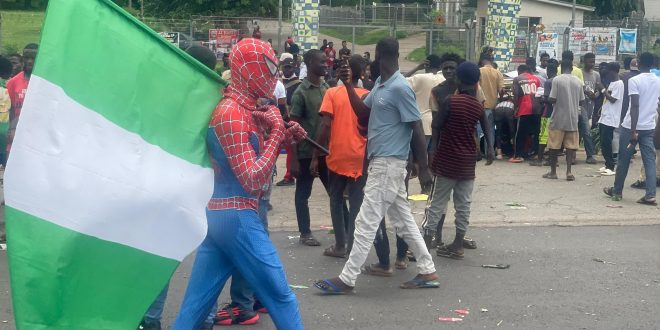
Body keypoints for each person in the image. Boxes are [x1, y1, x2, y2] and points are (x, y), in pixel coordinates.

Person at [172, 39, 306, 330]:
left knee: (194, 308)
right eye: (269, 68)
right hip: (237, 216)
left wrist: (279, 135)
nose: (275, 76)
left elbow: (253, 161)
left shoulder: (242, 110)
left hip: (223, 216)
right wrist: (277, 133)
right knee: (281, 297)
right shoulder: (231, 113)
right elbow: (252, 177)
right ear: (250, 68)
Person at [314, 37, 439, 294]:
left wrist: (423, 166)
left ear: (380, 55)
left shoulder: (400, 88)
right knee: (403, 221)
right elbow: (363, 113)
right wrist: (349, 86)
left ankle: (347, 278)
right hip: (381, 163)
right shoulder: (382, 85)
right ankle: (428, 270)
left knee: (365, 221)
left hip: (389, 164)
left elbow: (415, 126)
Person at [428, 61, 494, 259]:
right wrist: (490, 148)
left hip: (447, 160)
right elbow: (487, 127)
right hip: (467, 162)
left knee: (437, 203)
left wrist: (434, 151)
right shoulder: (477, 106)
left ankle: (426, 242)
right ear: (476, 83)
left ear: (457, 79)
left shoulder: (450, 101)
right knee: (463, 204)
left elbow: (436, 126)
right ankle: (457, 244)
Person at [313, 55, 369, 258]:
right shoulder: (367, 95)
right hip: (361, 156)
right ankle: (353, 246)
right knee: (356, 202)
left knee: (336, 199)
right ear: (361, 74)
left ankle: (340, 245)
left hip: (337, 156)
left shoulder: (332, 93)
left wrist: (315, 154)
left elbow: (325, 125)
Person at [603, 52, 660, 206]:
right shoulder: (658, 81)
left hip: (631, 127)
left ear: (639, 63)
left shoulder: (635, 81)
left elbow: (634, 105)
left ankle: (617, 191)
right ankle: (650, 195)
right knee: (649, 161)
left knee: (624, 159)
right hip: (649, 127)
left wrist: (633, 130)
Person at [289, 49, 330, 246]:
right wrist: (294, 159)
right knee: (303, 194)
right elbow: (292, 128)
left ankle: (345, 230)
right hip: (306, 153)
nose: (326, 64)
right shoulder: (301, 93)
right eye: (321, 62)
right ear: (311, 63)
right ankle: (305, 233)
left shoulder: (326, 88)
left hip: (326, 152)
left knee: (336, 194)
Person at [543, 60, 585, 181]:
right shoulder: (578, 81)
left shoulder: (557, 80)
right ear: (572, 69)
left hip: (558, 118)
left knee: (553, 145)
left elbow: (552, 98)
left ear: (560, 69)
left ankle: (553, 172)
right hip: (573, 118)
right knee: (570, 147)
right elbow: (582, 100)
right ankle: (569, 172)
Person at [405, 54, 445, 152]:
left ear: (426, 65)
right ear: (440, 66)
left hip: (422, 124)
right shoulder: (444, 79)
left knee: (419, 156)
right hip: (439, 123)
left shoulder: (420, 78)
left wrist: (417, 68)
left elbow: (399, 81)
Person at [275, 54, 302, 187]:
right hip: (278, 121)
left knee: (291, 149)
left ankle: (289, 176)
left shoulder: (298, 85)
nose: (287, 70)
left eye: (290, 67)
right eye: (285, 67)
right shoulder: (279, 83)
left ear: (294, 68)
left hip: (291, 120)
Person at [6, 45, 37, 156]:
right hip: (17, 134)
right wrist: (12, 129)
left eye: (33, 58)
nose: (29, 61)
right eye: (27, 58)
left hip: (38, 135)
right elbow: (10, 109)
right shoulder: (12, 83)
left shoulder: (46, 84)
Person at [531, 59, 559, 166]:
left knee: (543, 136)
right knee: (555, 137)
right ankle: (553, 160)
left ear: (548, 71)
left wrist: (541, 98)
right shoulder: (559, 80)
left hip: (548, 112)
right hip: (558, 113)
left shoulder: (548, 82)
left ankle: (539, 159)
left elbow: (547, 98)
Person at [511, 64, 541, 163]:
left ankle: (518, 155)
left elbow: (516, 94)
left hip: (524, 108)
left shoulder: (517, 79)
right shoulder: (536, 79)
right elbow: (539, 93)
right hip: (537, 108)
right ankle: (536, 153)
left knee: (520, 133)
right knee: (536, 132)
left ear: (519, 71)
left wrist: (515, 108)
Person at [598, 62, 623, 176]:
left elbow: (613, 99)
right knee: (603, 142)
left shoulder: (619, 84)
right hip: (605, 116)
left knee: (607, 142)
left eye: (608, 71)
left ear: (613, 71)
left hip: (611, 118)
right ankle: (607, 164)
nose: (607, 74)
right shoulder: (613, 83)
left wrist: (603, 90)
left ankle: (611, 166)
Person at [479, 54, 504, 157]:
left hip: (479, 105)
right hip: (492, 106)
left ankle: (477, 153)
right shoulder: (498, 73)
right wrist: (500, 100)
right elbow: (501, 90)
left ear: (482, 61)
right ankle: (489, 152)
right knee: (489, 131)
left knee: (477, 131)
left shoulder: (479, 71)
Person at [580, 53, 600, 164]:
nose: (592, 64)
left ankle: (573, 153)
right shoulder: (579, 73)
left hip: (591, 106)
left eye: (593, 61)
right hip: (581, 105)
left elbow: (598, 89)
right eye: (589, 62)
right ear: (584, 61)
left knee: (584, 129)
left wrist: (595, 95)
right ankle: (590, 155)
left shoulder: (596, 75)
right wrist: (585, 92)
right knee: (586, 131)